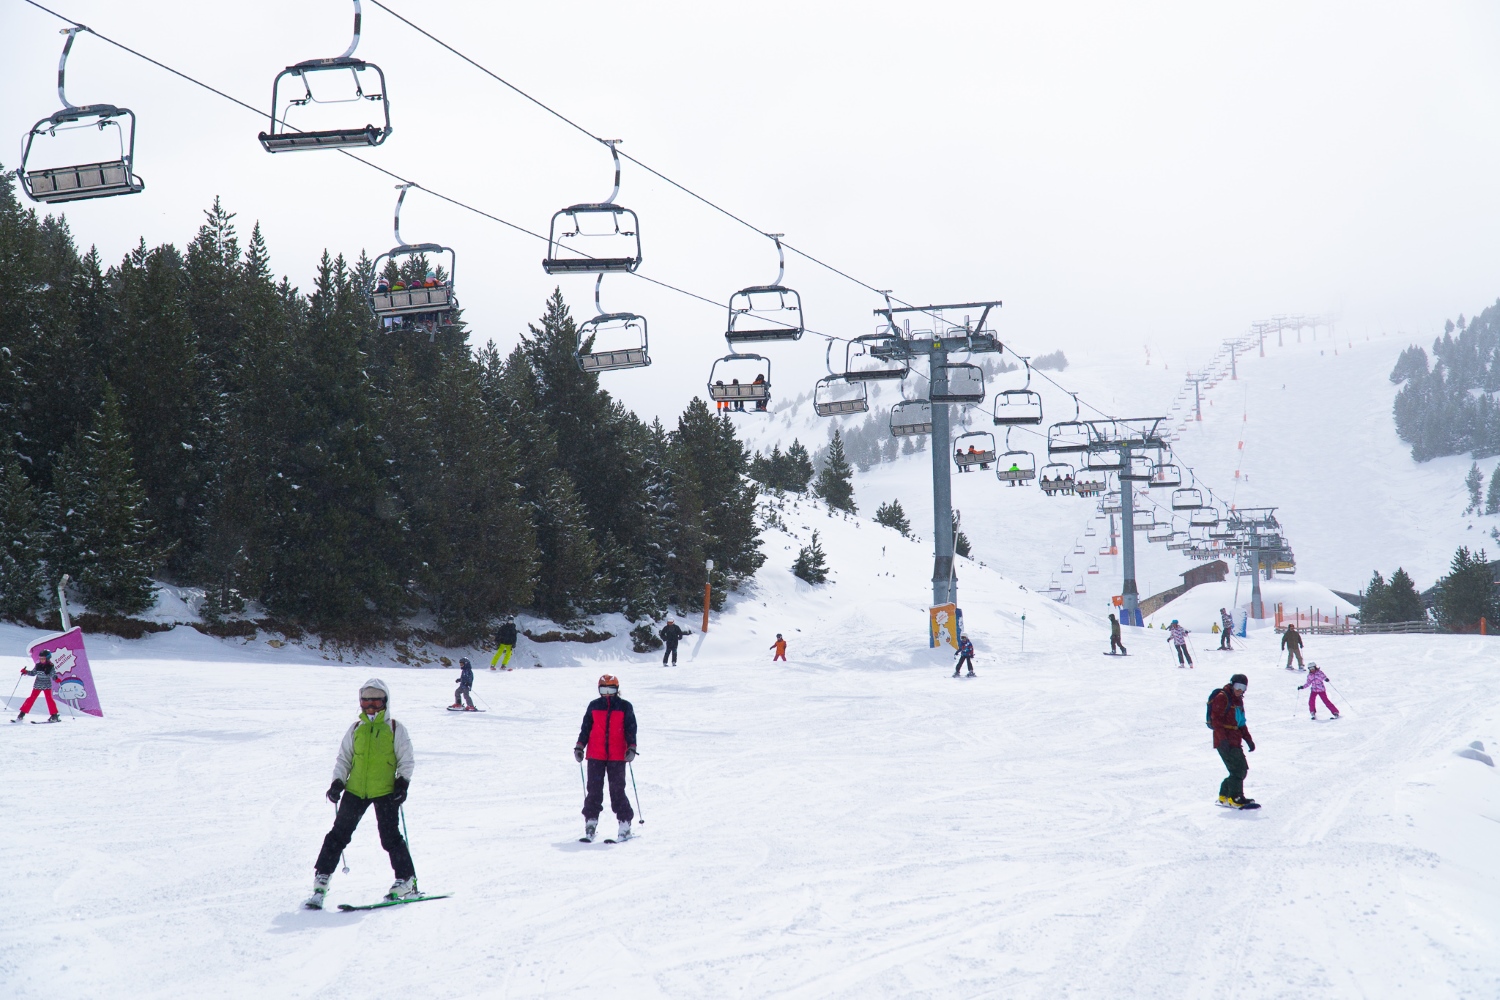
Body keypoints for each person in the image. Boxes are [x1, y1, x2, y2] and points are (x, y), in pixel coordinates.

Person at [305, 678, 418, 909]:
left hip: (385, 791)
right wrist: (337, 782)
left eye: (375, 702)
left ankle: (406, 880)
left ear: (385, 702)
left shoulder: (395, 728)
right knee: (337, 835)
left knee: (390, 838)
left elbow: (406, 760)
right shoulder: (356, 728)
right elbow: (344, 758)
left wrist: (402, 783)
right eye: (366, 702)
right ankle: (321, 880)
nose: (370, 707)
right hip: (355, 790)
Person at [573, 674, 637, 842]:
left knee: (617, 791)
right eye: (603, 690)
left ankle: (625, 823)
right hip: (596, 755)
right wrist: (580, 746)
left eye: (611, 690)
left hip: (617, 756)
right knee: (593, 790)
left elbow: (631, 728)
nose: (607, 694)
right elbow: (586, 727)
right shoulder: (594, 706)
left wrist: (631, 747)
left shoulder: (624, 707)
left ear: (617, 690)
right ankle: (591, 822)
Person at [1207, 673, 1259, 809]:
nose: (1240, 690)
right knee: (1238, 770)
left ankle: (1224, 796)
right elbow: (1216, 721)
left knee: (1238, 769)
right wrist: (1222, 740)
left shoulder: (1238, 701)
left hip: (1234, 740)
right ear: (1232, 684)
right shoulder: (1222, 698)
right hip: (1224, 740)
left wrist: (1249, 740)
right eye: (1237, 686)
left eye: (1243, 687)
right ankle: (1235, 797)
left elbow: (1241, 722)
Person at [13, 648, 60, 723]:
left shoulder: (50, 666)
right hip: (37, 685)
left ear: (47, 659)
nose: (41, 660)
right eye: (40, 658)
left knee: (49, 700)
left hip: (47, 685)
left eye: (43, 659)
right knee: (31, 698)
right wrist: (26, 672)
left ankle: (54, 715)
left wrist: (56, 678)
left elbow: (53, 674)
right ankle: (22, 714)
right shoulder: (38, 665)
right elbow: (33, 673)